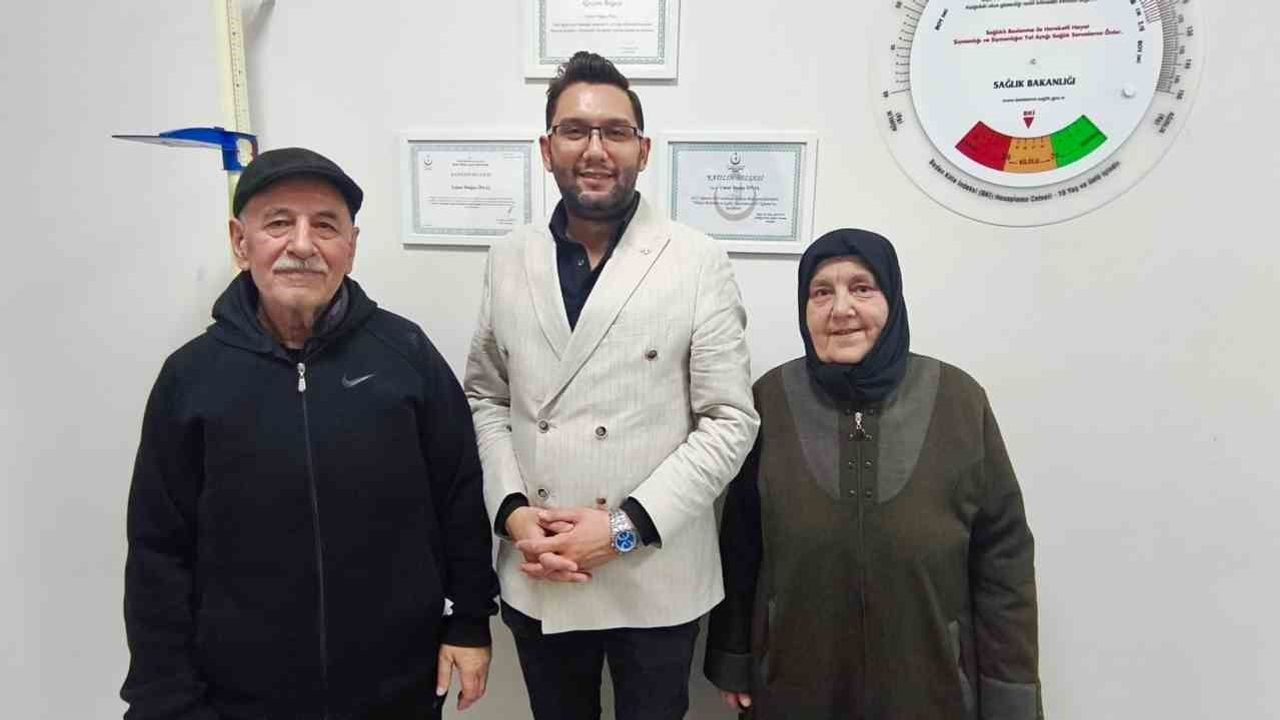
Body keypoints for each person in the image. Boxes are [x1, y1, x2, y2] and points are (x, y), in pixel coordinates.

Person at [122, 147, 498, 720]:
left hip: (397, 687)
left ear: (351, 245)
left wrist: (469, 622)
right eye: (279, 223)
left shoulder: (406, 357)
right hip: (236, 697)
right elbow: (157, 550)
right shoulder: (190, 378)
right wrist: (164, 697)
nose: (302, 245)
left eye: (325, 225)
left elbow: (459, 498)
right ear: (240, 241)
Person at [463, 51, 759, 720]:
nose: (595, 149)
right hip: (540, 565)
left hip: (654, 572)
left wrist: (624, 529)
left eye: (615, 132)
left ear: (642, 150)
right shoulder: (507, 258)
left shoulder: (697, 261)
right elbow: (487, 398)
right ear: (547, 150)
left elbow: (730, 421)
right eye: (574, 130)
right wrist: (513, 514)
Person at [704, 229, 1043, 719]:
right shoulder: (770, 400)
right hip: (795, 681)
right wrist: (732, 656)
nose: (841, 309)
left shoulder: (958, 399)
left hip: (931, 684)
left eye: (862, 288)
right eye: (822, 292)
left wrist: (1011, 691)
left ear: (892, 299)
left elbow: (1003, 559)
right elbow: (740, 541)